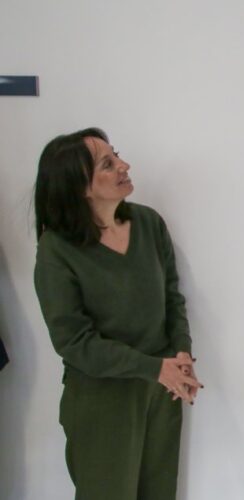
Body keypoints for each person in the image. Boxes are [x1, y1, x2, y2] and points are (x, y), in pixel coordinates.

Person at [33, 127, 202, 500]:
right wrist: (156, 368)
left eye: (117, 155)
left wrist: (181, 356)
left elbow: (171, 299)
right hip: (102, 399)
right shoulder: (57, 249)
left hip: (162, 390)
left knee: (158, 491)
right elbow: (74, 342)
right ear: (79, 187)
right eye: (107, 164)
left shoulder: (149, 223)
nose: (124, 165)